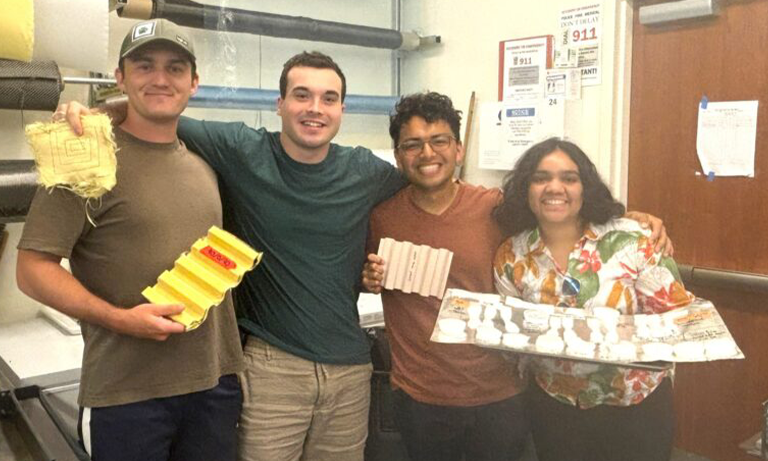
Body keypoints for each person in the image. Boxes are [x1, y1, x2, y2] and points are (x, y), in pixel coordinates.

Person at [16, 19, 243, 461]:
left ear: (194, 82)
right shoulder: (84, 160)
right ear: (120, 77)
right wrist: (120, 319)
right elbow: (32, 270)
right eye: (144, 66)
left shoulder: (205, 163)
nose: (160, 78)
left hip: (214, 385)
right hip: (126, 395)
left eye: (175, 68)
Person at [492, 137, 694, 461]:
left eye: (569, 178)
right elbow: (513, 343)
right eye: (541, 178)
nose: (554, 187)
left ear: (585, 188)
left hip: (636, 404)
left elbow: (677, 318)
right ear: (525, 189)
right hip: (555, 405)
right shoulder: (510, 255)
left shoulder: (632, 239)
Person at [362, 92, 529, 461]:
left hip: (499, 395)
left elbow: (563, 217)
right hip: (421, 399)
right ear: (397, 154)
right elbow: (361, 273)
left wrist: (635, 221)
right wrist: (368, 278)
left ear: (459, 150)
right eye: (413, 144)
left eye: (439, 141)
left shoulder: (496, 207)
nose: (427, 154)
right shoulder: (381, 217)